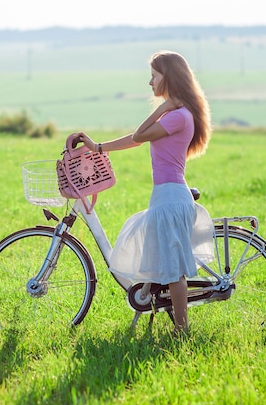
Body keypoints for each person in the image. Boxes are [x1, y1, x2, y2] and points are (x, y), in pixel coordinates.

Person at [77, 50, 212, 334]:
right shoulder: (177, 115)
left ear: (169, 78)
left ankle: (181, 331)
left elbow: (139, 135)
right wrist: (97, 147)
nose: (150, 83)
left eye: (154, 76)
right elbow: (134, 140)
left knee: (174, 270)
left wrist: (162, 107)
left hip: (171, 198)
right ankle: (160, 312)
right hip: (165, 196)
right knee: (162, 261)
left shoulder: (178, 116)